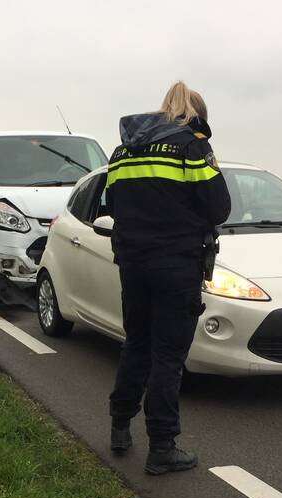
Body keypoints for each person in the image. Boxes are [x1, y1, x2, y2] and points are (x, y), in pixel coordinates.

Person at [105, 82, 231, 475]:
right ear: (196, 115)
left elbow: (112, 204)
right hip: (176, 265)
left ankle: (120, 427)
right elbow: (219, 207)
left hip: (133, 264)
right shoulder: (192, 146)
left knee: (136, 346)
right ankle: (161, 447)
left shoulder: (123, 152)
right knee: (168, 358)